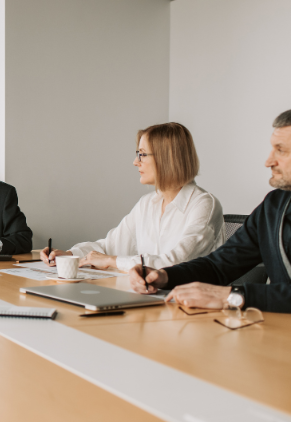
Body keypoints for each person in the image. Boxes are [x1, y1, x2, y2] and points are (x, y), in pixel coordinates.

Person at [131, 110, 291, 313]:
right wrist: (165, 276)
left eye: (281, 150)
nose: (269, 161)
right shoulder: (274, 206)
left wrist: (232, 296)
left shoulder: (203, 202)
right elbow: (219, 265)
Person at [42, 122, 224, 271]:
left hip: (188, 305)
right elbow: (109, 247)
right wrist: (70, 255)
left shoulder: (204, 205)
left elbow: (173, 263)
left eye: (142, 154)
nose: (135, 162)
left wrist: (112, 261)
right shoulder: (147, 204)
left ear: (167, 158)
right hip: (148, 296)